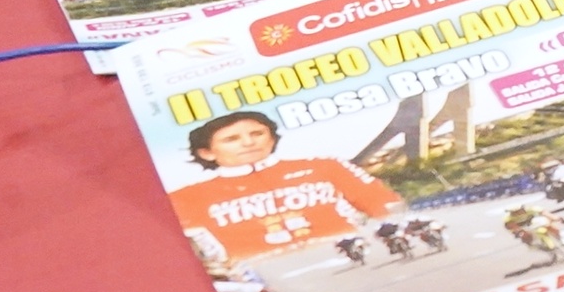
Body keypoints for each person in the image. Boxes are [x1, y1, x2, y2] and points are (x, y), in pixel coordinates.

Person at [168, 111, 404, 264]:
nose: (249, 142)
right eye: (232, 139)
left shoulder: (325, 166)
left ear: (272, 139)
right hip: (268, 278)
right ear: (206, 153)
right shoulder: (183, 198)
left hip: (350, 259)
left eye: (257, 134)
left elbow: (384, 204)